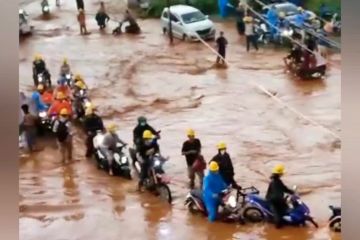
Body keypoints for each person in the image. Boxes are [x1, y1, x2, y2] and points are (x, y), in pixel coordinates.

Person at [265, 164, 295, 229]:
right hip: (273, 201)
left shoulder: (277, 181)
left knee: (286, 207)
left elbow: (284, 188)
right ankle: (277, 228)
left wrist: (292, 192)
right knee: (278, 217)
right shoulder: (275, 182)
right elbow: (276, 195)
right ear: (280, 174)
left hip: (277, 199)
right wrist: (282, 199)